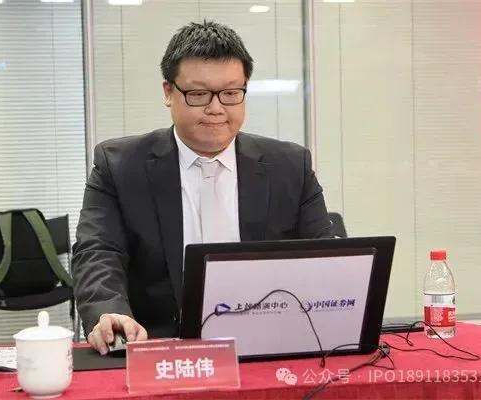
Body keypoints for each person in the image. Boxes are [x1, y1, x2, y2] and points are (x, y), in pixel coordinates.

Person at [72, 20, 334, 355]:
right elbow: (98, 251)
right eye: (198, 94)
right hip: (159, 348)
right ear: (168, 92)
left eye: (231, 93)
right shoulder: (119, 166)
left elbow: (326, 259)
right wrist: (110, 311)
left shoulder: (290, 166)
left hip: (270, 347)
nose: (216, 108)